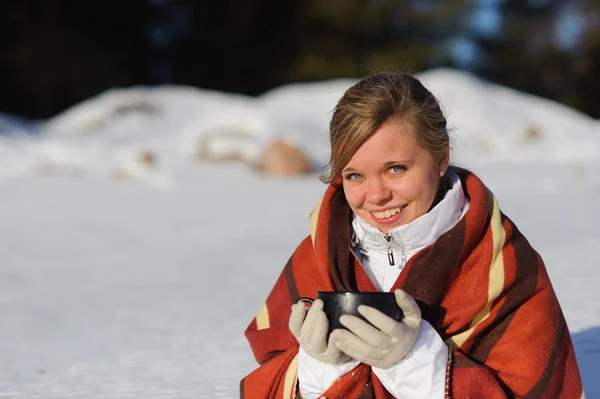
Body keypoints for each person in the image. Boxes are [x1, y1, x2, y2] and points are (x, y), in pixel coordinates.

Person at [240, 73, 584, 398]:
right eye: (355, 176)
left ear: (441, 157)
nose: (375, 196)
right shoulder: (317, 255)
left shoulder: (503, 266)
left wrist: (413, 361)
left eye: (395, 169)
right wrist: (318, 366)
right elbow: (269, 376)